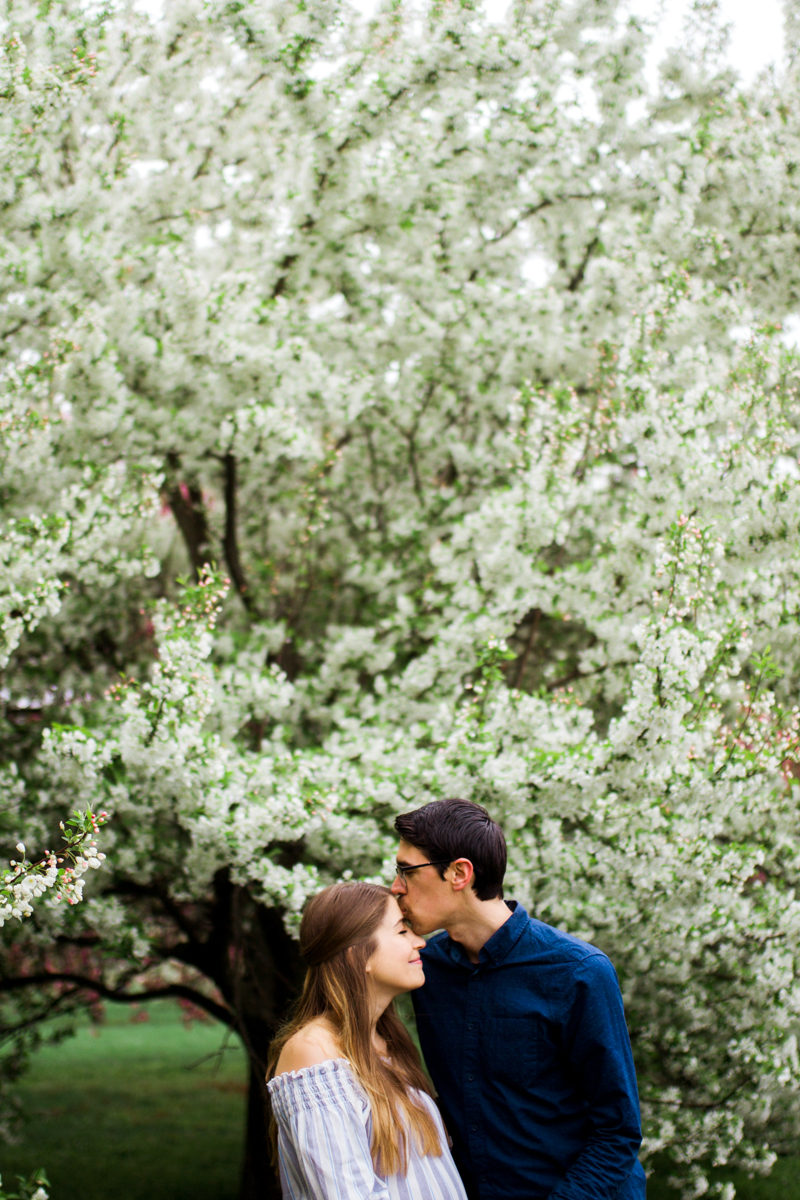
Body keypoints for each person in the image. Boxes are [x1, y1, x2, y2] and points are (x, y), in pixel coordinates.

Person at [391, 798, 647, 1200]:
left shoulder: (578, 972)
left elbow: (618, 1132)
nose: (395, 886)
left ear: (459, 873)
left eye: (407, 870)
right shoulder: (425, 970)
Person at [267, 880, 468, 1200]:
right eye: (402, 931)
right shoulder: (315, 1053)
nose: (420, 942)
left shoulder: (386, 1043)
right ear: (356, 956)